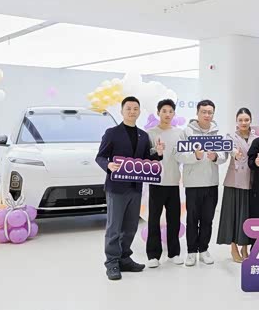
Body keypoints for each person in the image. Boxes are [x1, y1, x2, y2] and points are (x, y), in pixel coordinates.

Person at [96, 96, 164, 281]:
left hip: (135, 188)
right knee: (114, 227)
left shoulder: (143, 135)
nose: (132, 111)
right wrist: (108, 165)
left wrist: (158, 154)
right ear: (122, 111)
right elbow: (100, 157)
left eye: (135, 109)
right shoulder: (112, 133)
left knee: (131, 226)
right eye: (129, 108)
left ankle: (124, 258)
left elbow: (146, 161)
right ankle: (112, 262)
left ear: (139, 111)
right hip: (116, 188)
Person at [176, 99, 228, 267]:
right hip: (192, 184)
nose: (207, 115)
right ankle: (191, 252)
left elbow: (224, 156)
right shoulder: (187, 132)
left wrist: (216, 157)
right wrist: (195, 156)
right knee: (192, 219)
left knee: (208, 219)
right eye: (203, 112)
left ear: (213, 114)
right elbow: (178, 155)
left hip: (211, 183)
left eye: (210, 112)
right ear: (197, 113)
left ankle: (204, 249)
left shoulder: (217, 133)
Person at [145, 99, 184, 268]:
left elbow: (184, 155)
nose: (167, 114)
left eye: (170, 111)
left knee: (174, 219)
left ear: (174, 113)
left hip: (173, 181)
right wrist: (157, 151)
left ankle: (174, 253)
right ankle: (153, 255)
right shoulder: (150, 133)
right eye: (164, 111)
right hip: (156, 182)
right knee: (153, 219)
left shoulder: (179, 133)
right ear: (158, 112)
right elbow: (146, 157)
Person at [217, 108, 259, 263]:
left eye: (246, 120)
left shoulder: (256, 138)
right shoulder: (230, 137)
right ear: (236, 121)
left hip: (250, 181)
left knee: (247, 215)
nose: (243, 122)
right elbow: (230, 149)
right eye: (240, 120)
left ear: (250, 120)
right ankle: (234, 247)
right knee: (232, 215)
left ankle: (245, 247)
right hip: (234, 181)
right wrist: (235, 153)